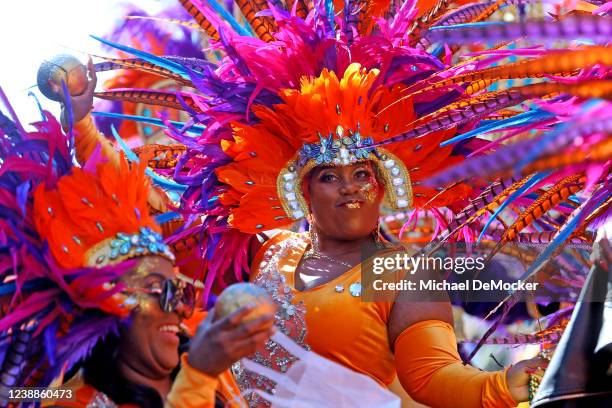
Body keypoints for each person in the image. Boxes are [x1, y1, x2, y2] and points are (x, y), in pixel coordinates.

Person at [45, 0, 609, 406]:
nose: (351, 187)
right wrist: (83, 120)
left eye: (364, 172)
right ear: (298, 189)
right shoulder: (263, 254)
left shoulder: (406, 274)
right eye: (330, 176)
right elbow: (142, 214)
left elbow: (432, 377)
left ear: (387, 184)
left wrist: (514, 384)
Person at [0, 106, 274, 407]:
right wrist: (198, 376)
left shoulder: (203, 361)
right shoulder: (70, 402)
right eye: (159, 288)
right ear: (103, 302)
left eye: (182, 291)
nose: (181, 309)